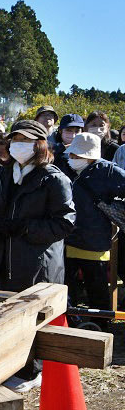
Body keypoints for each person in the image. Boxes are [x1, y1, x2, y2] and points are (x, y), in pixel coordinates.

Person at [0, 120, 75, 291]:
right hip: (3, 265)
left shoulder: (54, 179)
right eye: (15, 139)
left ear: (40, 144)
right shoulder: (3, 174)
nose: (19, 144)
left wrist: (25, 228)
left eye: (25, 140)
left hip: (38, 269)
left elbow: (64, 224)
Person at [56, 132, 125, 329]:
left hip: (95, 241)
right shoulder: (65, 167)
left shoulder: (109, 171)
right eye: (71, 154)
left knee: (97, 290)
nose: (72, 158)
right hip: (66, 240)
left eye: (77, 155)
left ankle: (101, 328)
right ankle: (71, 325)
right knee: (67, 289)